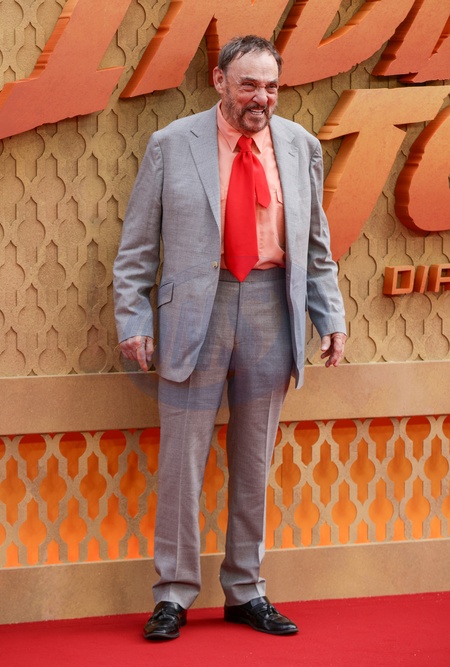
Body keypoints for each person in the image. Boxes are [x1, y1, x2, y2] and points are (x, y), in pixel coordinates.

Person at [113, 35, 347, 640]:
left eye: (271, 87)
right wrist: (133, 320)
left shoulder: (301, 146)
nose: (261, 98)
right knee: (182, 461)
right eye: (248, 85)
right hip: (197, 309)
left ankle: (246, 589)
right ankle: (173, 594)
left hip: (272, 308)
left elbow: (315, 247)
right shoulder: (171, 144)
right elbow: (136, 249)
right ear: (219, 81)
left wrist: (331, 317)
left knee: (253, 461)